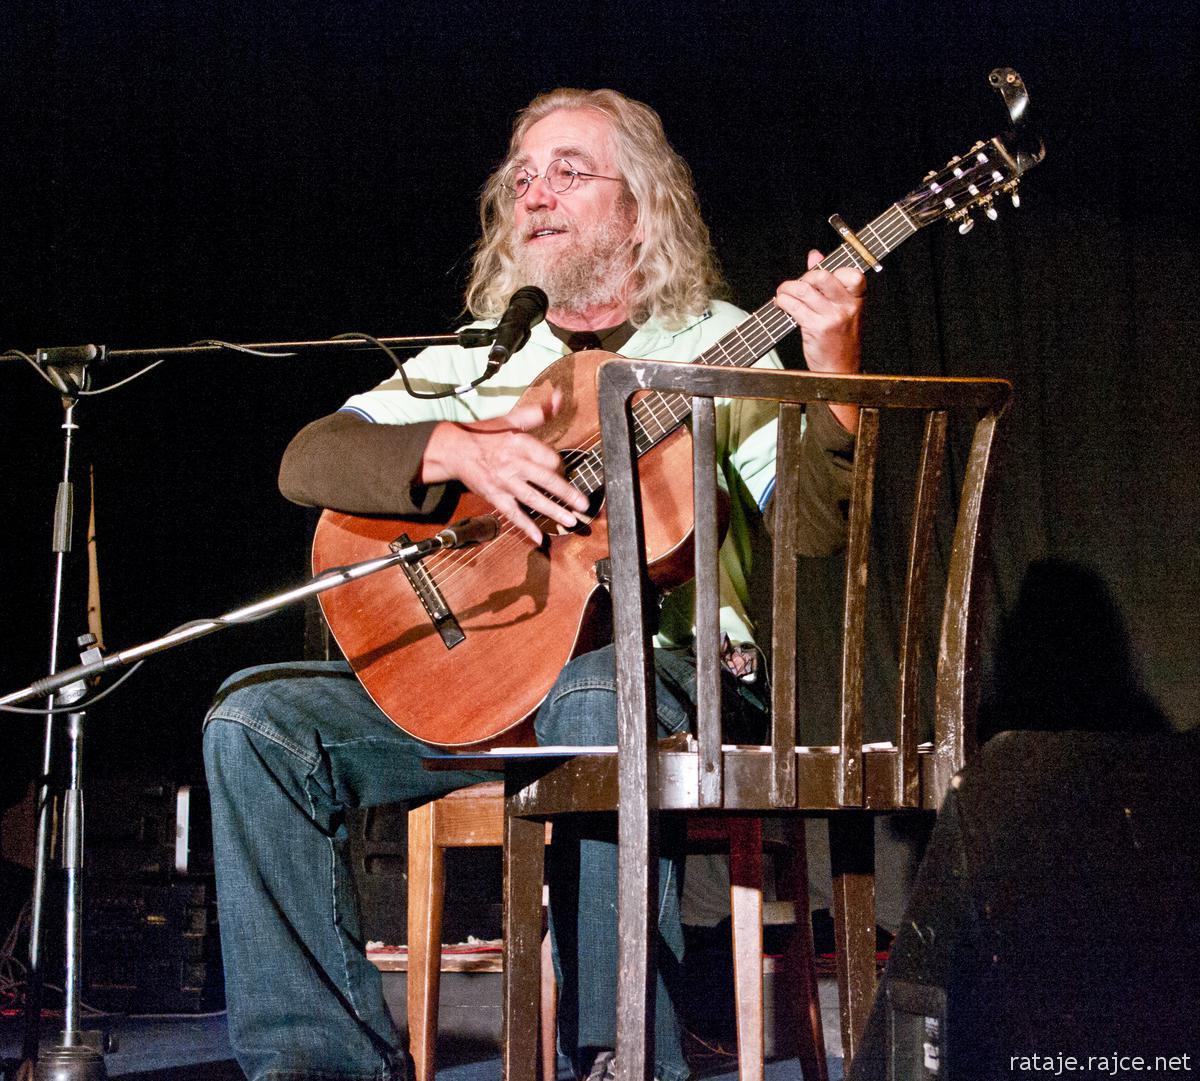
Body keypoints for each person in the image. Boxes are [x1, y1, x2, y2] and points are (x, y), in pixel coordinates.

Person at [203, 87, 865, 1081]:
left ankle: (616, 1053)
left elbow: (815, 527)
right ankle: (315, 1064)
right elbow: (310, 458)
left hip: (681, 681)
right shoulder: (486, 355)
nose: (535, 194)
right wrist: (454, 446)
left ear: (640, 205)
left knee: (596, 688)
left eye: (567, 171)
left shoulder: (720, 341)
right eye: (521, 178)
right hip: (489, 689)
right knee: (255, 720)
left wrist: (834, 374)